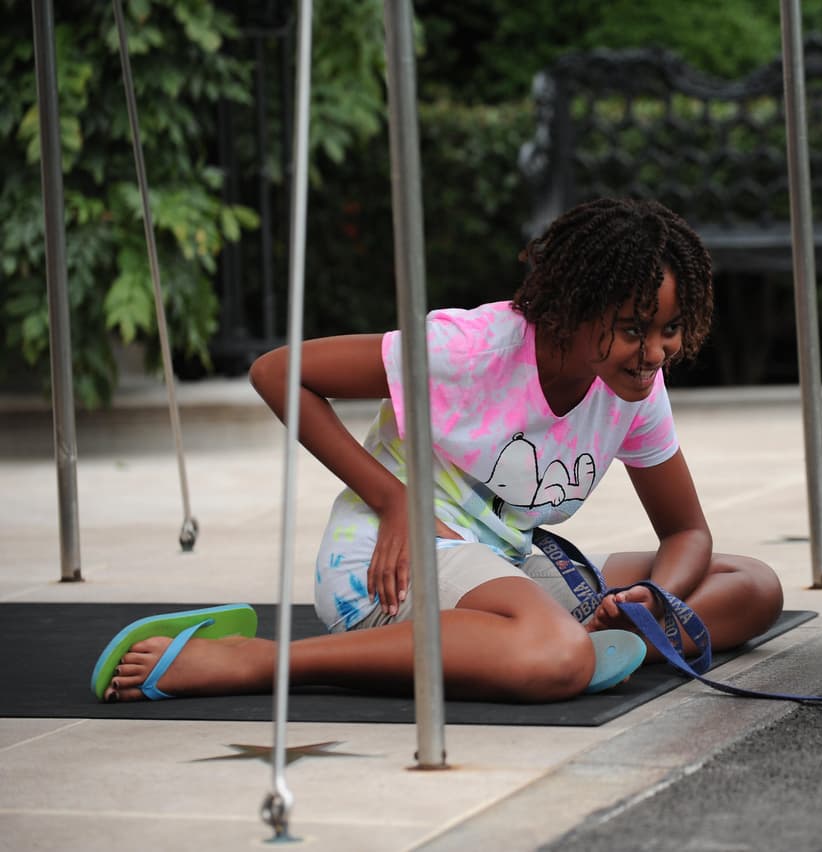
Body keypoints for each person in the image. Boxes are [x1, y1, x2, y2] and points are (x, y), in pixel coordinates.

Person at [96, 197, 784, 703]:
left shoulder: (633, 386)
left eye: (668, 330)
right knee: (556, 657)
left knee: (752, 587)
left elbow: (687, 531)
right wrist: (392, 498)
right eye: (636, 329)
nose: (657, 352)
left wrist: (657, 598)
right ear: (577, 305)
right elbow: (278, 372)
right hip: (382, 560)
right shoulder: (469, 349)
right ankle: (267, 661)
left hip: (501, 563)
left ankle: (583, 637)